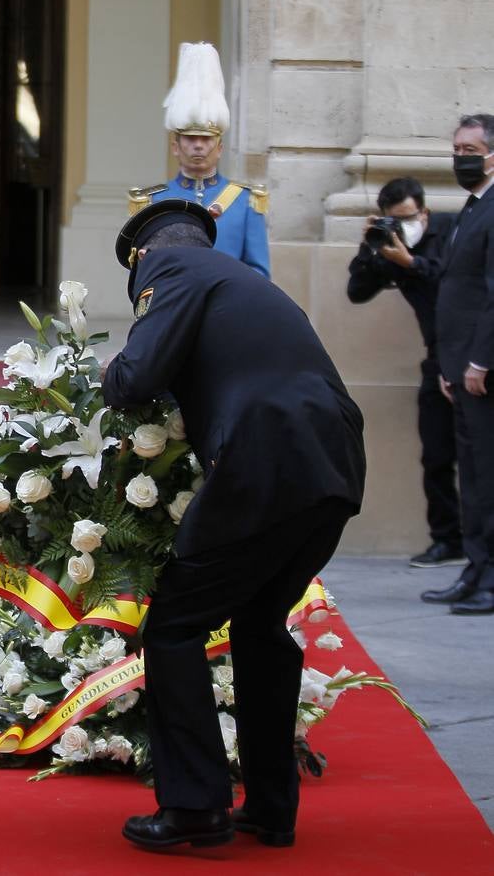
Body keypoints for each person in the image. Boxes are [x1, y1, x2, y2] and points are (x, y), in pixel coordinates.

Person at [103, 199, 365, 851]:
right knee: (258, 623)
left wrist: (107, 380)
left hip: (265, 461)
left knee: (172, 626)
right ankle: (271, 808)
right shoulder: (245, 282)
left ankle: (194, 807)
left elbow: (137, 376)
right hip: (332, 462)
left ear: (142, 258)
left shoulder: (175, 270)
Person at [347, 177, 463, 568]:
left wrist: (410, 263)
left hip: (474, 352)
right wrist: (371, 247)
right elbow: (357, 291)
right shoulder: (390, 244)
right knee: (436, 454)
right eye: (391, 221)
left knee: (480, 459)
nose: (401, 227)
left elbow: (457, 283)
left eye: (407, 219)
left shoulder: (452, 229)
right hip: (437, 356)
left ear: (424, 213)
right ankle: (448, 540)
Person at [424, 113, 494, 615]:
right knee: (470, 475)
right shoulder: (472, 208)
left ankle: (489, 578)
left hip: (482, 372)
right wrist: (451, 368)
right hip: (461, 371)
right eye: (456, 147)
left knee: (487, 477)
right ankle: (475, 570)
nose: (460, 156)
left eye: (470, 148)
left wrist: (480, 361)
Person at [128, 42, 270, 278]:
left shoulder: (246, 202)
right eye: (190, 138)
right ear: (175, 146)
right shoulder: (152, 202)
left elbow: (259, 272)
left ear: (220, 147)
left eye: (206, 139)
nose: (198, 145)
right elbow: (142, 273)